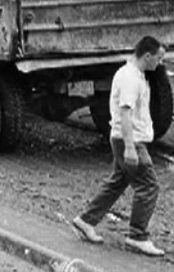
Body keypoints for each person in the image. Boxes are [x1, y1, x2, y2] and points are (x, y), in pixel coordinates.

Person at [71, 36, 166, 257]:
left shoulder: (135, 74)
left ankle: (85, 220)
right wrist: (131, 147)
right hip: (129, 140)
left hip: (125, 139)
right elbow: (125, 112)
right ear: (147, 56)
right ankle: (137, 236)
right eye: (159, 59)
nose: (160, 64)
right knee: (148, 186)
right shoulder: (130, 78)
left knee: (117, 182)